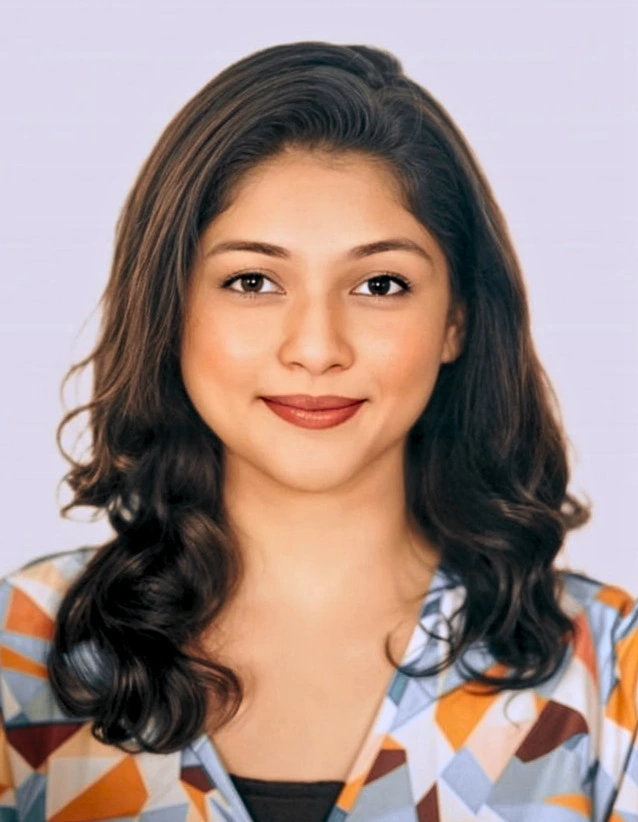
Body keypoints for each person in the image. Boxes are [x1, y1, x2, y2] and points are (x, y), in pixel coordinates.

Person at [0, 40, 635, 822]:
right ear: (171, 308)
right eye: (253, 281)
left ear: (456, 320)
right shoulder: (21, 654)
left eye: (379, 284)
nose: (315, 348)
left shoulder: (607, 670)